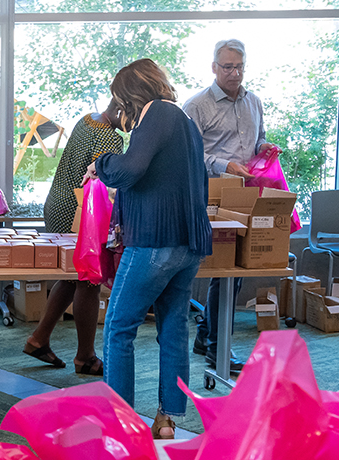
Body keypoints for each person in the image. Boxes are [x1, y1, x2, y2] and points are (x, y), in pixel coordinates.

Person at [94, 59, 211, 439]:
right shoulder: (184, 122)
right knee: (173, 328)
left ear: (129, 94)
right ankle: (166, 419)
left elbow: (130, 169)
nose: (119, 109)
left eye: (119, 100)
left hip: (156, 244)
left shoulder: (157, 114)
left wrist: (101, 163)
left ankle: (122, 422)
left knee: (118, 328)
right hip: (187, 245)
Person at [183, 39, 273, 373]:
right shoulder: (197, 106)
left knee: (235, 271)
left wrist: (265, 147)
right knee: (223, 269)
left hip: (246, 193)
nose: (234, 73)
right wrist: (224, 165)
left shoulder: (254, 102)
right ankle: (217, 346)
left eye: (239, 66)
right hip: (209, 193)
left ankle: (208, 335)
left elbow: (256, 139)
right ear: (214, 67)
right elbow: (188, 154)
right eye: (227, 67)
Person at [26, 102, 122, 376]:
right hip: (79, 210)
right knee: (88, 279)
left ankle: (39, 339)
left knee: (70, 277)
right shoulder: (108, 136)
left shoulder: (88, 119)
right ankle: (85, 356)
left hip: (58, 201)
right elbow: (109, 178)